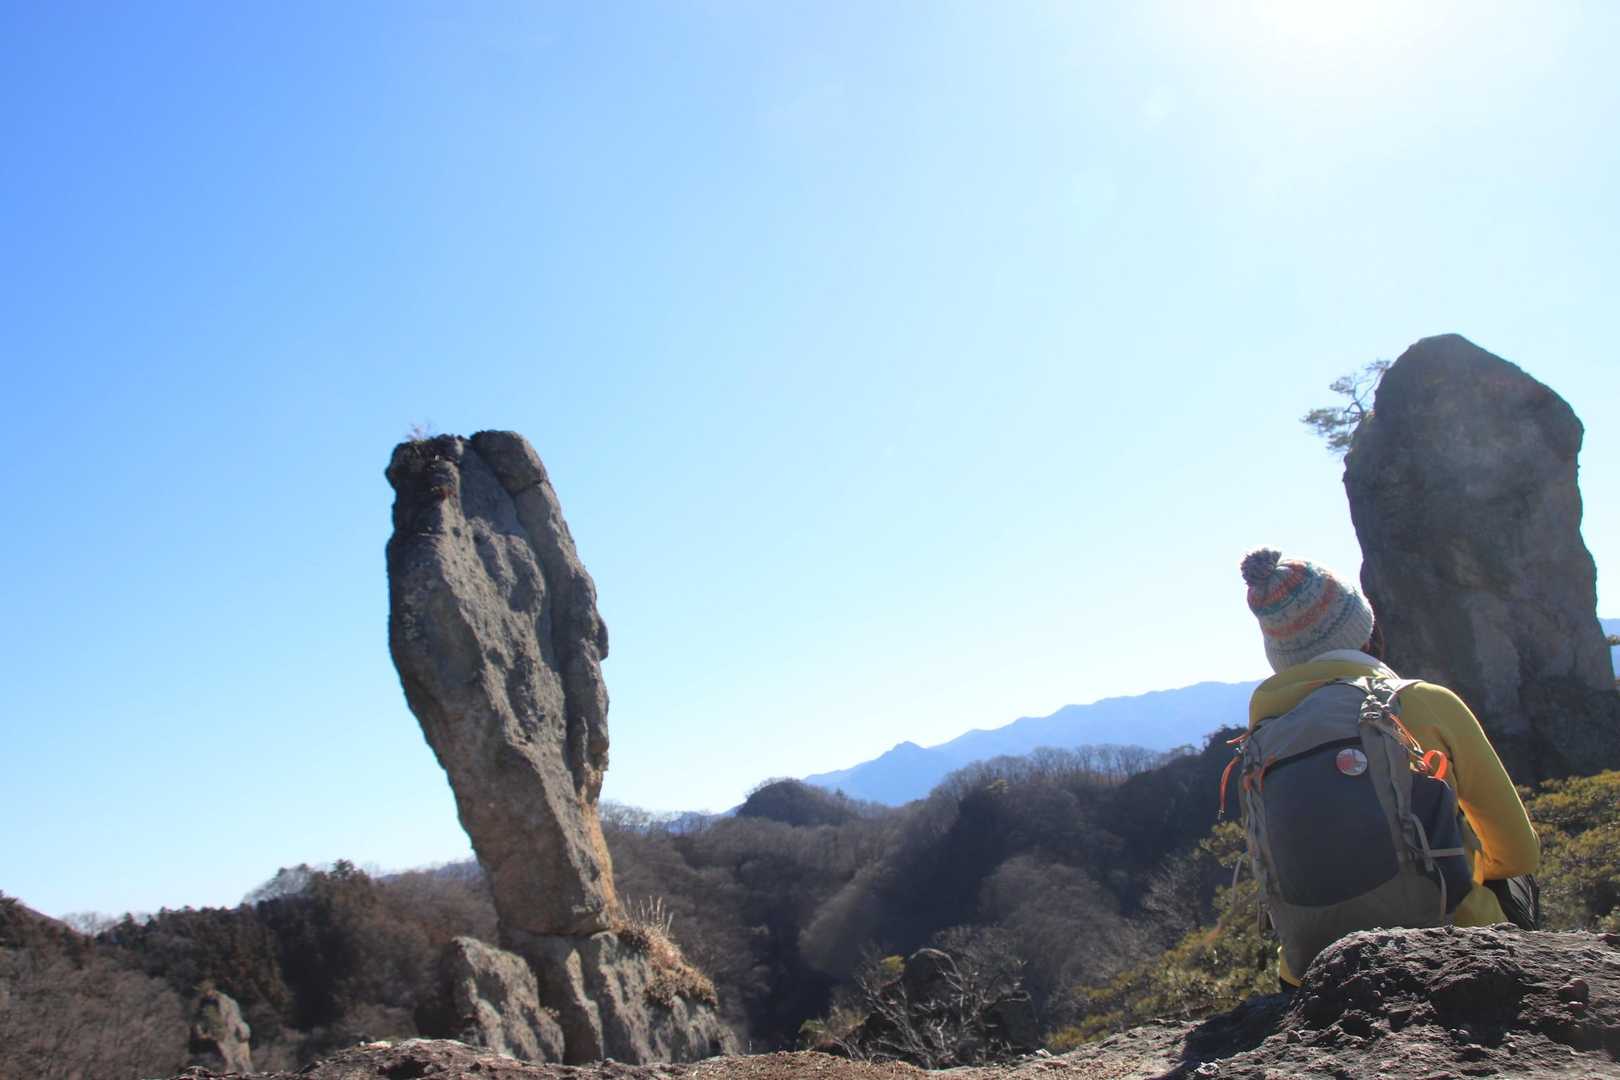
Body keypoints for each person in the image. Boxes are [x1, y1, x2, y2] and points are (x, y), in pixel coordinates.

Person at [1239, 547, 1540, 986]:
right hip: (1453, 946)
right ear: (1363, 626)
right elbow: (1518, 853)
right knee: (1505, 872)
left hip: (1313, 971)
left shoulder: (1261, 739)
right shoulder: (1421, 703)